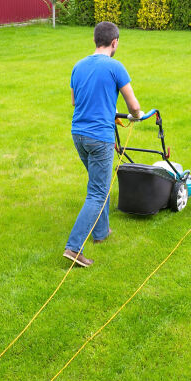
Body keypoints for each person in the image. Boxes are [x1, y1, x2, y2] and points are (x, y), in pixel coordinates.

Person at [63, 21, 143, 267]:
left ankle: (101, 232)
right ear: (115, 42)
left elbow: (76, 102)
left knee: (99, 183)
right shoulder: (115, 67)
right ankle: (74, 247)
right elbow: (134, 106)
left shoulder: (78, 66)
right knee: (97, 192)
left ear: (95, 40)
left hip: (78, 135)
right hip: (99, 138)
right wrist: (137, 115)